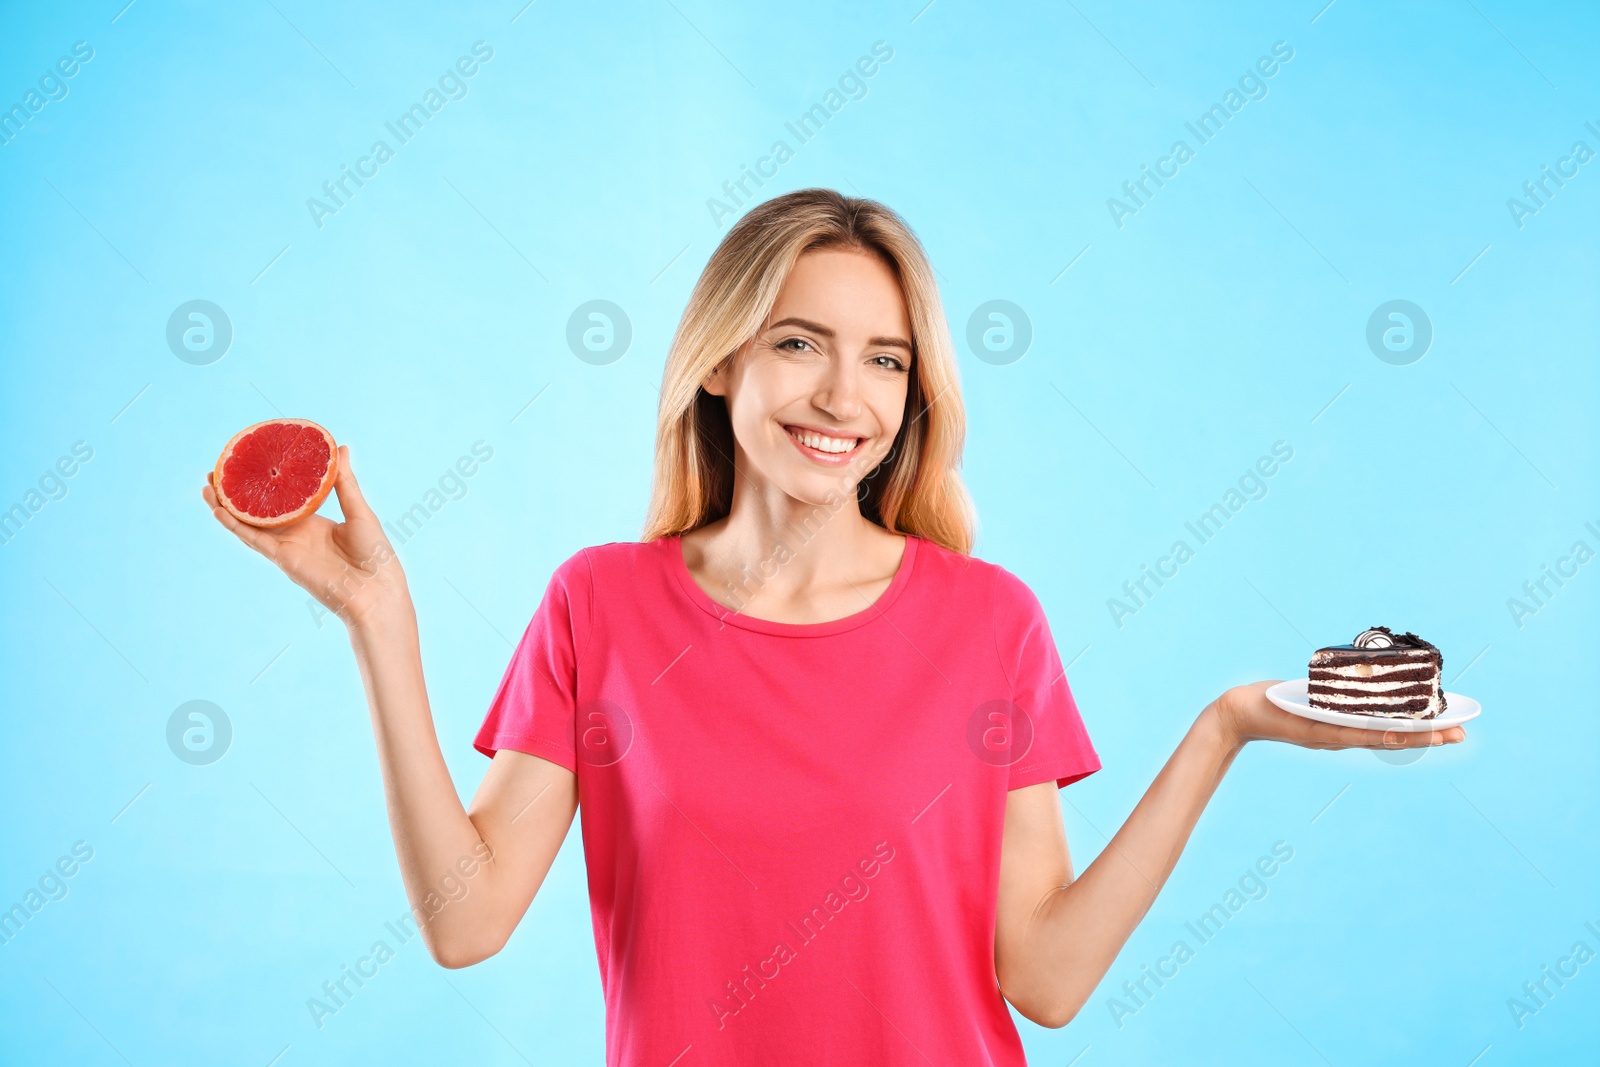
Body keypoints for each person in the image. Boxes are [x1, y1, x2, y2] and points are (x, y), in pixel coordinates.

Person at [203, 188, 1465, 1065]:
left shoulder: (990, 622)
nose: (840, 397)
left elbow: (1047, 979)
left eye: (886, 360)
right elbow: (465, 921)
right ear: (718, 361)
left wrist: (1225, 726)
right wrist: (381, 618)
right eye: (800, 342)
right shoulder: (599, 603)